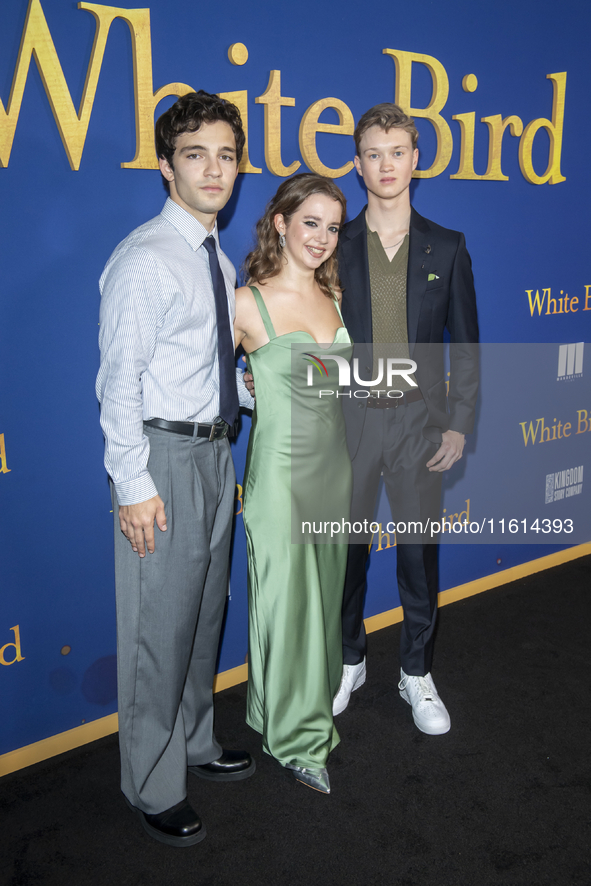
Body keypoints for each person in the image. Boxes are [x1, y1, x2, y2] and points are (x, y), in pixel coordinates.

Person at [96, 91, 256, 848]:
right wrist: (134, 486)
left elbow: (206, 367)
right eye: (196, 154)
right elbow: (118, 381)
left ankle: (194, 741)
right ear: (167, 168)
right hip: (161, 458)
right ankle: (151, 781)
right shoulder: (145, 259)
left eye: (226, 154)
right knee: (159, 630)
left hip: (216, 452)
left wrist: (259, 388)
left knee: (201, 620)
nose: (213, 168)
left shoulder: (216, 258)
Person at [333, 104, 479, 734]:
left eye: (397, 151)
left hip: (421, 423)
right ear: (358, 163)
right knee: (346, 553)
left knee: (418, 553)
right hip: (350, 422)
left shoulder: (448, 246)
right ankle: (348, 659)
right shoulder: (333, 245)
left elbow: (467, 345)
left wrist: (459, 423)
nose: (386, 164)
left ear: (416, 160)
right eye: (373, 153)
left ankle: (415, 672)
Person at [233, 174, 352, 794]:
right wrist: (245, 390)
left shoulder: (334, 297)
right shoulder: (245, 302)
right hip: (280, 477)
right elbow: (202, 385)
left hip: (335, 473)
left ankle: (278, 711)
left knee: (321, 604)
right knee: (289, 606)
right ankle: (298, 741)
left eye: (333, 227)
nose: (322, 238)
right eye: (311, 222)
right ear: (280, 222)